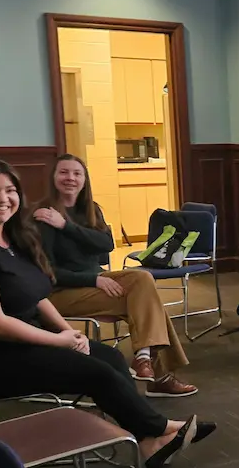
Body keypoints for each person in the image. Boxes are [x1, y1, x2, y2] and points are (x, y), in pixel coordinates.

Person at [0, 157, 213, 468]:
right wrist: (59, 339)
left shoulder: (9, 238)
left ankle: (149, 439)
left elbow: (37, 294)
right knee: (95, 373)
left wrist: (70, 334)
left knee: (111, 357)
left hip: (19, 341)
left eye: (9, 190)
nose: (2, 198)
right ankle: (159, 429)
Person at [34, 154, 197, 398]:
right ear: (53, 177)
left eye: (77, 174)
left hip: (94, 284)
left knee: (142, 286)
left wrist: (66, 226)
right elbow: (47, 273)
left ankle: (144, 361)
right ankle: (157, 375)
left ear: (84, 179)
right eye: (64, 172)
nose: (71, 178)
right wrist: (95, 279)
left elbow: (106, 243)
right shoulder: (43, 215)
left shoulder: (90, 210)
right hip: (59, 294)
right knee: (146, 299)